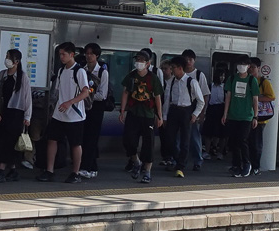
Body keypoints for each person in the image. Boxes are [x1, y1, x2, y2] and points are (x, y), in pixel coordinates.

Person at [38, 41, 92, 183]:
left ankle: (75, 172)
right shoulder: (61, 71)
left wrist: (70, 102)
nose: (61, 57)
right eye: (60, 54)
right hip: (59, 113)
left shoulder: (79, 71)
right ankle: (49, 170)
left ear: (72, 55)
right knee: (52, 140)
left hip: (75, 115)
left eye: (64, 54)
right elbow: (58, 91)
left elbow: (85, 92)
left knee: (75, 143)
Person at [120, 49, 164, 182]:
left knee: (148, 143)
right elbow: (125, 93)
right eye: (137, 60)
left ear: (148, 63)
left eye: (141, 60)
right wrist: (122, 111)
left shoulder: (153, 78)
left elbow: (157, 98)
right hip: (133, 113)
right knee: (128, 141)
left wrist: (160, 116)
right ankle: (136, 161)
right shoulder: (131, 76)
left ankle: (148, 171)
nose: (138, 63)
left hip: (148, 115)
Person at [0, 48, 33, 181]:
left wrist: (27, 116)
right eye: (6, 56)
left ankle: (1, 169)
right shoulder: (2, 74)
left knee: (8, 141)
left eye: (9, 57)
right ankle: (13, 170)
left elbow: (28, 98)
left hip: (16, 112)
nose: (7, 60)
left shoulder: (23, 77)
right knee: (3, 140)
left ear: (17, 61)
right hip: (3, 111)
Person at [162, 56, 204, 177]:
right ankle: (178, 159)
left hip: (186, 111)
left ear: (180, 68)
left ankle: (180, 166)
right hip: (174, 110)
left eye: (173, 68)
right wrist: (164, 116)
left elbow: (201, 101)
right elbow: (167, 100)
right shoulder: (171, 82)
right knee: (169, 139)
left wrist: (195, 114)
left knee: (185, 140)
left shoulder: (191, 82)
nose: (172, 70)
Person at [79, 42, 110, 180]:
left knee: (92, 137)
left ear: (97, 55)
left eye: (91, 53)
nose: (88, 56)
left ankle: (87, 166)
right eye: (87, 53)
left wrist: (87, 96)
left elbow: (102, 94)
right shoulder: (82, 70)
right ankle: (91, 166)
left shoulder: (103, 72)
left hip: (96, 107)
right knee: (84, 137)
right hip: (84, 107)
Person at [224, 59, 258, 177]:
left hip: (246, 116)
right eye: (239, 64)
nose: (241, 67)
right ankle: (236, 165)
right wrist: (225, 114)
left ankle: (247, 163)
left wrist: (255, 116)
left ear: (248, 66)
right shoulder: (232, 79)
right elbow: (228, 96)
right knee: (233, 141)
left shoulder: (252, 80)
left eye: (243, 64)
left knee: (242, 140)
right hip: (233, 115)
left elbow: (255, 99)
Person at [180, 50, 207, 171]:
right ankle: (180, 159)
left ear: (194, 61)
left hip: (194, 109)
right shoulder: (179, 74)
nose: (188, 62)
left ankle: (198, 160)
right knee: (179, 137)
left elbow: (205, 95)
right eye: (186, 59)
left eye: (190, 59)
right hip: (181, 110)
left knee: (195, 136)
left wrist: (202, 113)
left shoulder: (199, 75)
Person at [249, 58, 277, 175]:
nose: (251, 69)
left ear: (259, 68)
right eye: (249, 67)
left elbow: (272, 97)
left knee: (256, 143)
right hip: (246, 116)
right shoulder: (246, 81)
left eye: (253, 67)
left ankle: (256, 166)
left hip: (260, 118)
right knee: (246, 142)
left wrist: (256, 98)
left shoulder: (264, 82)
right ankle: (247, 164)